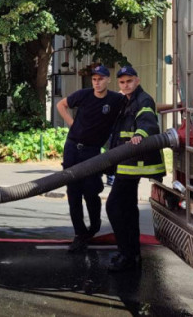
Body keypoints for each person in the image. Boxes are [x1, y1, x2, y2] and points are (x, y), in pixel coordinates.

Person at [56, 64, 126, 254]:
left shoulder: (115, 99)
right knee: (73, 193)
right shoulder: (84, 94)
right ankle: (80, 234)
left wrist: (173, 107)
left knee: (91, 191)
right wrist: (72, 124)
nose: (97, 82)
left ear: (108, 80)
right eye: (94, 79)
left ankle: (94, 225)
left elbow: (141, 105)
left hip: (92, 151)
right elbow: (61, 105)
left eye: (100, 79)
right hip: (72, 148)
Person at [106, 66, 163, 271]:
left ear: (137, 81)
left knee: (114, 206)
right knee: (128, 209)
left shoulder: (143, 100)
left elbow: (148, 122)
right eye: (122, 82)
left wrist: (140, 134)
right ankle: (132, 254)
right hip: (126, 163)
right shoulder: (126, 101)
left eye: (129, 81)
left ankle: (126, 254)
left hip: (133, 164)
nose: (126, 85)